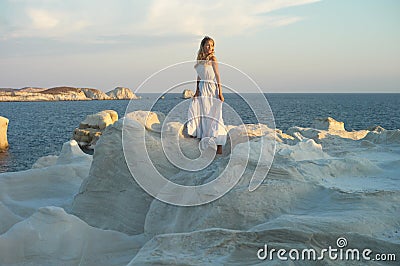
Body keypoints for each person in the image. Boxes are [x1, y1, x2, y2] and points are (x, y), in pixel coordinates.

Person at [187, 36, 227, 154]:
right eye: (208, 45)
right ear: (203, 46)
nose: (210, 48)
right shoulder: (200, 60)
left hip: (211, 88)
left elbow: (218, 75)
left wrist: (220, 92)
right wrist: (196, 91)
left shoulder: (213, 59)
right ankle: (205, 140)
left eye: (212, 45)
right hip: (202, 88)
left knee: (214, 114)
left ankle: (219, 146)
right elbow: (199, 76)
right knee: (203, 114)